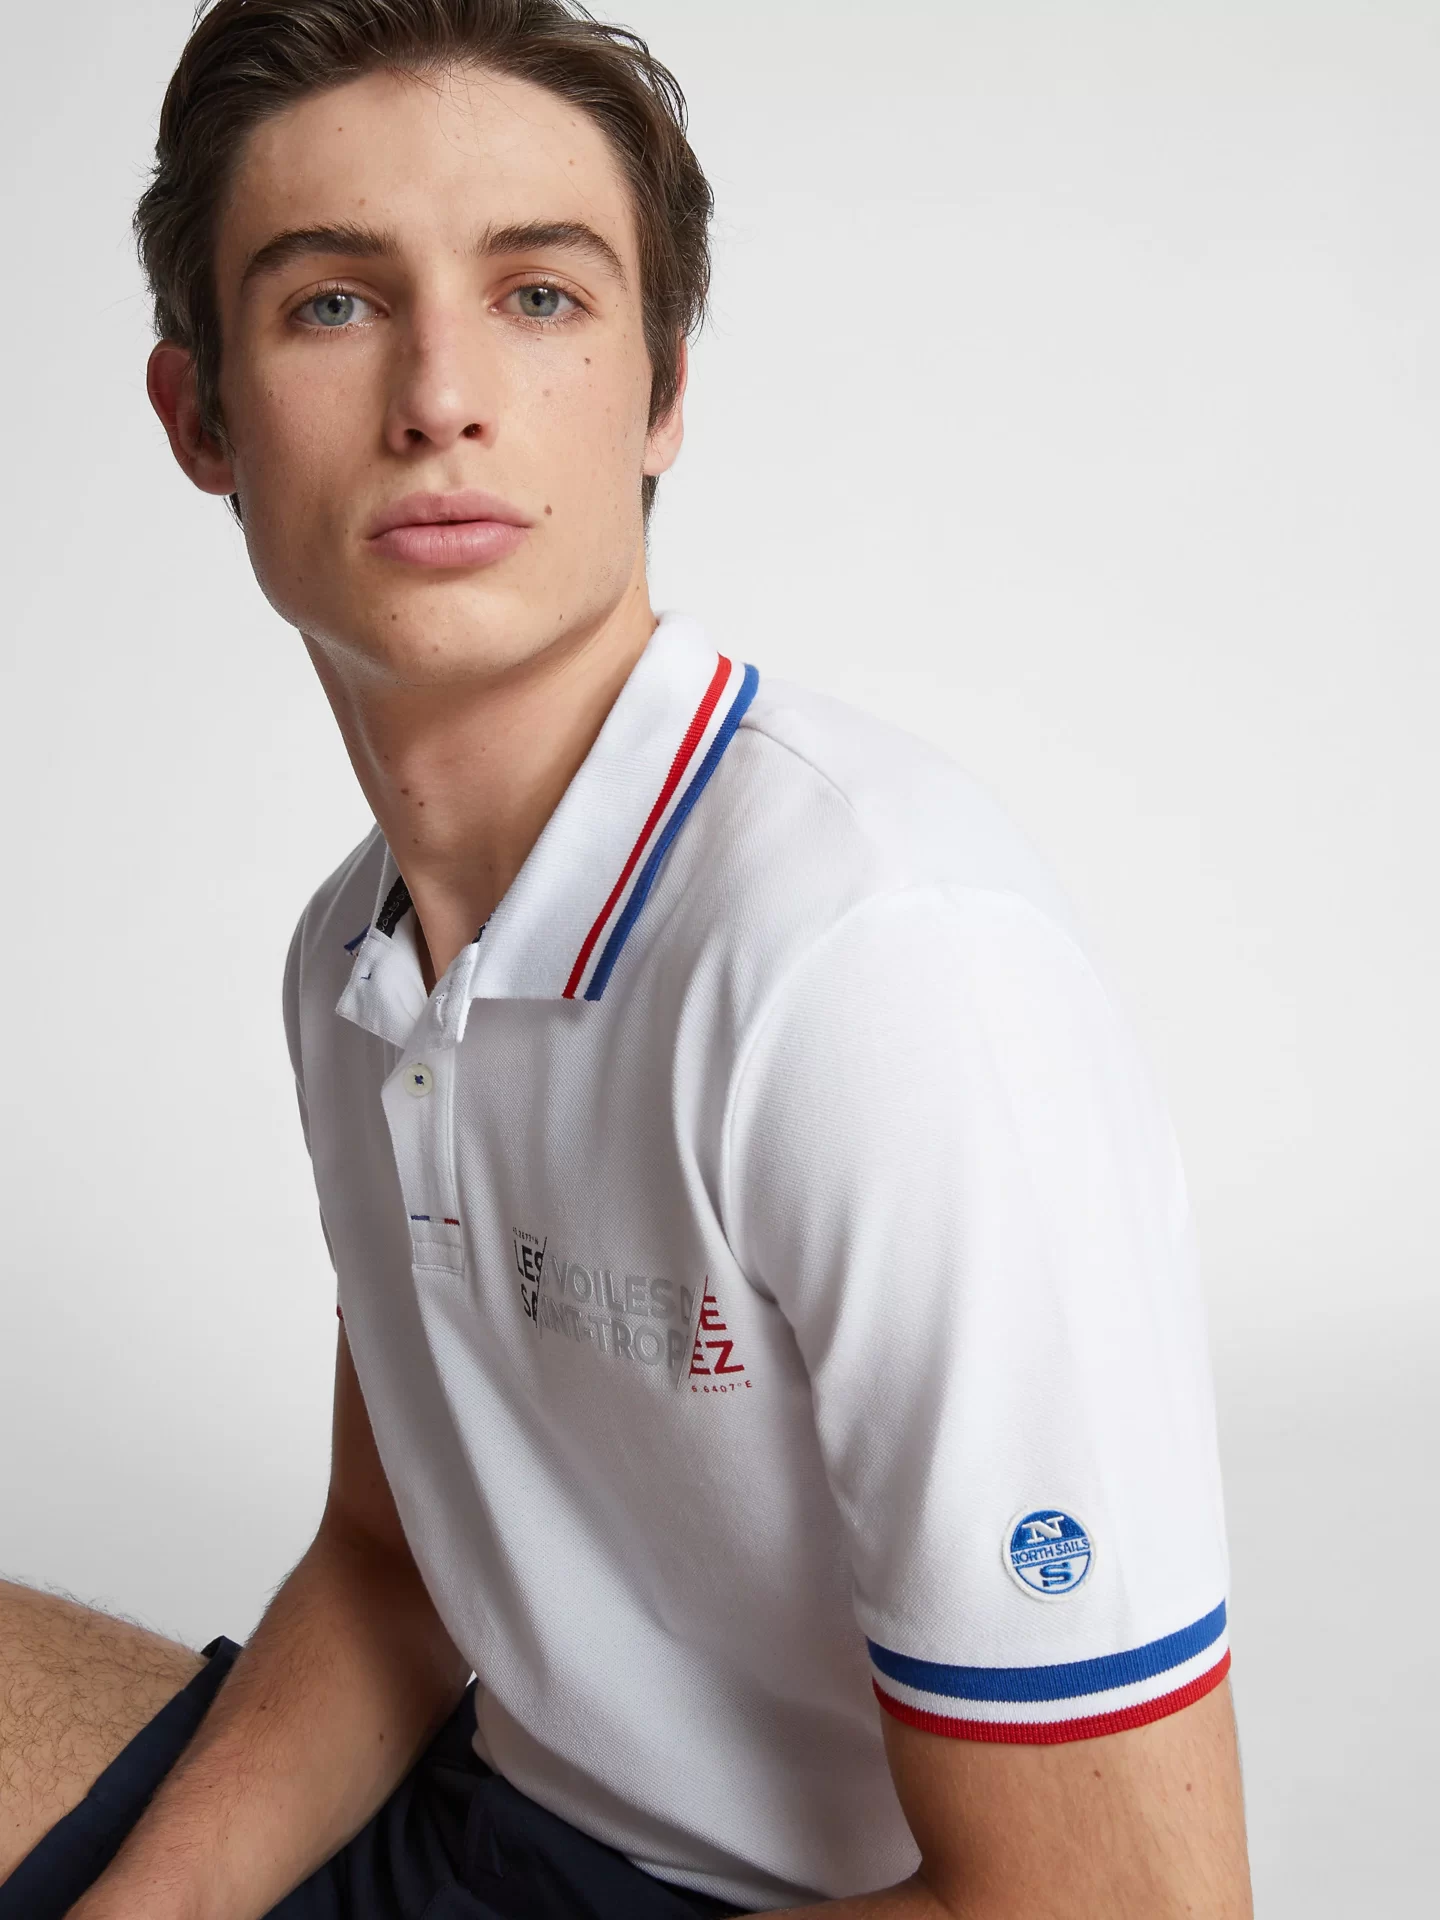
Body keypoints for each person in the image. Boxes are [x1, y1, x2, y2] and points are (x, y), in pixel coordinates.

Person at [0, 2, 1252, 1915]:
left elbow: (1122, 1913)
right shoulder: (352, 957)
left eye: (539, 297)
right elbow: (392, 1572)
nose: (441, 396)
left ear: (663, 390)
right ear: (201, 420)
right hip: (483, 1829)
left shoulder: (878, 969)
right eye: (332, 303)